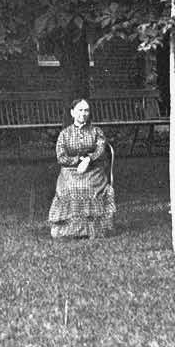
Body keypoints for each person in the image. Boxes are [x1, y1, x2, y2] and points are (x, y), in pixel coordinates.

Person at [47, 98, 115, 240]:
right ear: (72, 113)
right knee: (71, 187)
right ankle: (68, 230)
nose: (83, 114)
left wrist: (89, 159)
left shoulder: (96, 131)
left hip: (93, 169)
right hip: (70, 170)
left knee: (89, 187)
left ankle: (94, 230)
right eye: (80, 110)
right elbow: (61, 157)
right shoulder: (64, 134)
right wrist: (78, 160)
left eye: (86, 110)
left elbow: (101, 149)